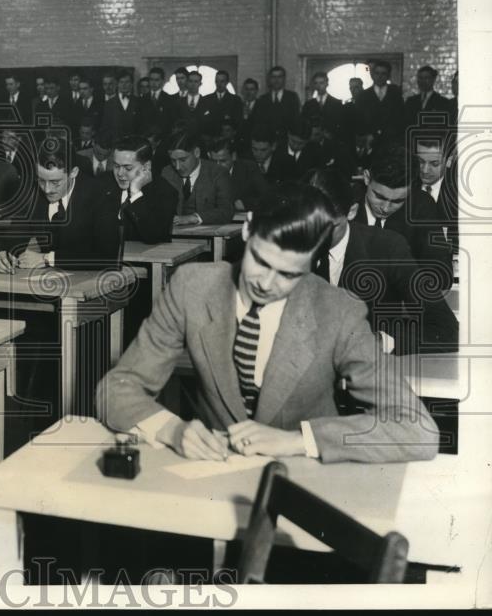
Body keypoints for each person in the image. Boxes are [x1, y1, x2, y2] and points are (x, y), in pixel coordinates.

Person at [96, 182, 439, 463]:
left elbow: (418, 429)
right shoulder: (192, 286)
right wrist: (172, 429)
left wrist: (298, 441)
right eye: (260, 261)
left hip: (303, 477)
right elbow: (116, 390)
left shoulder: (339, 311)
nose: (266, 283)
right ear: (246, 229)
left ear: (311, 263)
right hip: (211, 475)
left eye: (289, 274)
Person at [306, 168, 458, 354]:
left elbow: (446, 329)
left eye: (330, 227)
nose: (315, 236)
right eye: (308, 224)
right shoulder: (286, 243)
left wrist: (381, 341)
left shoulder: (388, 248)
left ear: (352, 212)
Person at [0, 137, 119, 272]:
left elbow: (107, 256)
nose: (47, 189)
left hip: (91, 279)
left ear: (73, 172)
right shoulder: (31, 192)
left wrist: (47, 259)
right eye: (41, 180)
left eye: (55, 182)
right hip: (49, 280)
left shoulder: (100, 195)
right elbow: (16, 233)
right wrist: (3, 253)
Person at [353, 145, 453, 280]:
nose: (386, 208)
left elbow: (441, 272)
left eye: (398, 201)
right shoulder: (346, 204)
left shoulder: (421, 205)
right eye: (380, 197)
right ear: (366, 178)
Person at [100, 136, 177, 244]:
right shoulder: (102, 183)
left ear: (146, 166)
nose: (120, 173)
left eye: (128, 168)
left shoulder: (164, 191)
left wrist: (135, 193)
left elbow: (155, 236)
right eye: (116, 166)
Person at [160, 131, 233, 226]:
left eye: (183, 160)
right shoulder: (167, 172)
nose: (178, 167)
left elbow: (226, 212)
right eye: (173, 161)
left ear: (197, 153)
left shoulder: (217, 173)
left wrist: (194, 218)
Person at [209, 136, 268, 213]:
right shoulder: (206, 170)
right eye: (214, 161)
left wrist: (245, 204)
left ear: (233, 156)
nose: (217, 166)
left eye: (223, 161)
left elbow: (267, 197)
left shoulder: (249, 169)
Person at [355, 59, 404, 144]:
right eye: (377, 73)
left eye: (383, 73)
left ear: (388, 75)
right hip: (369, 143)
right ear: (372, 75)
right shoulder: (363, 96)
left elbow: (399, 119)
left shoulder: (396, 94)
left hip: (391, 142)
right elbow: (359, 120)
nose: (380, 76)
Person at [251, 66, 300, 141]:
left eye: (279, 77)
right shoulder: (262, 100)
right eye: (273, 77)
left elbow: (296, 120)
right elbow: (258, 123)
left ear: (284, 79)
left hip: (286, 141)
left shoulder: (292, 97)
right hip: (268, 141)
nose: (276, 80)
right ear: (269, 79)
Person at [301, 71, 344, 143]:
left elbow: (341, 125)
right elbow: (304, 124)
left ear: (327, 84)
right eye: (316, 83)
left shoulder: (337, 103)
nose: (318, 86)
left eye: (321, 83)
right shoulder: (308, 104)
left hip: (332, 142)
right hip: (313, 142)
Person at [198, 69, 242, 136]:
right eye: (217, 81)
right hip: (211, 138)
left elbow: (237, 121)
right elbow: (203, 121)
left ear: (227, 82)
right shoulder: (206, 99)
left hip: (228, 138)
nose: (219, 84)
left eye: (222, 81)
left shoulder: (235, 100)